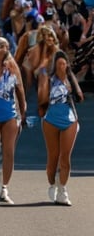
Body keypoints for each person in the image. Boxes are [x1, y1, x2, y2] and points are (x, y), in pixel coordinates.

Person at [0, 36, 26, 204]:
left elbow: (21, 90)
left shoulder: (14, 67)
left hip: (10, 114)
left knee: (9, 152)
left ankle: (5, 188)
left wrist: (22, 113)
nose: (2, 48)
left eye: (5, 46)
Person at [37, 49, 83, 205]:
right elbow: (42, 101)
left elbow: (80, 98)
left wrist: (71, 78)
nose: (62, 66)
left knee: (65, 157)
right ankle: (52, 183)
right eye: (59, 64)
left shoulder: (70, 79)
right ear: (55, 66)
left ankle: (63, 190)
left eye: (64, 64)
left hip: (69, 119)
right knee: (53, 157)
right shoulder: (49, 79)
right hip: (51, 119)